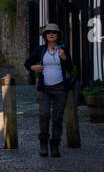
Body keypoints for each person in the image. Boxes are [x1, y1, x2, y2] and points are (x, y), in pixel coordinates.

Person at [25, 21, 74, 158]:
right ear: (45, 36)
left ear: (58, 36)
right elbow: (27, 63)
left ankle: (55, 145)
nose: (51, 34)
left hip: (60, 88)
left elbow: (70, 67)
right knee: (44, 115)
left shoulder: (63, 49)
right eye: (49, 33)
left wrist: (64, 58)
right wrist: (33, 68)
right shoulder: (40, 50)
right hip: (44, 89)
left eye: (54, 33)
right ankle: (43, 144)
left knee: (57, 118)